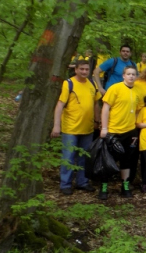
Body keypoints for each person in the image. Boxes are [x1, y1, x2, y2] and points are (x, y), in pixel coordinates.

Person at [51, 59, 100, 195]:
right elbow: (60, 105)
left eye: (86, 69)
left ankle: (82, 182)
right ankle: (65, 184)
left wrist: (97, 120)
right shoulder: (69, 83)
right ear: (76, 69)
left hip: (88, 128)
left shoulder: (92, 84)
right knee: (68, 156)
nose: (84, 72)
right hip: (70, 128)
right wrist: (56, 125)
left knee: (84, 156)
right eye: (81, 69)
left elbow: (96, 103)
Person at [99, 65, 139, 200]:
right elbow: (105, 108)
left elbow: (138, 110)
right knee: (108, 160)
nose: (131, 76)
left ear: (136, 77)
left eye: (134, 74)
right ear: (123, 75)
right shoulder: (115, 88)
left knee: (127, 160)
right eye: (128, 74)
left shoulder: (138, 91)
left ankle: (125, 186)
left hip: (130, 131)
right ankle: (104, 186)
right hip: (113, 130)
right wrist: (104, 128)